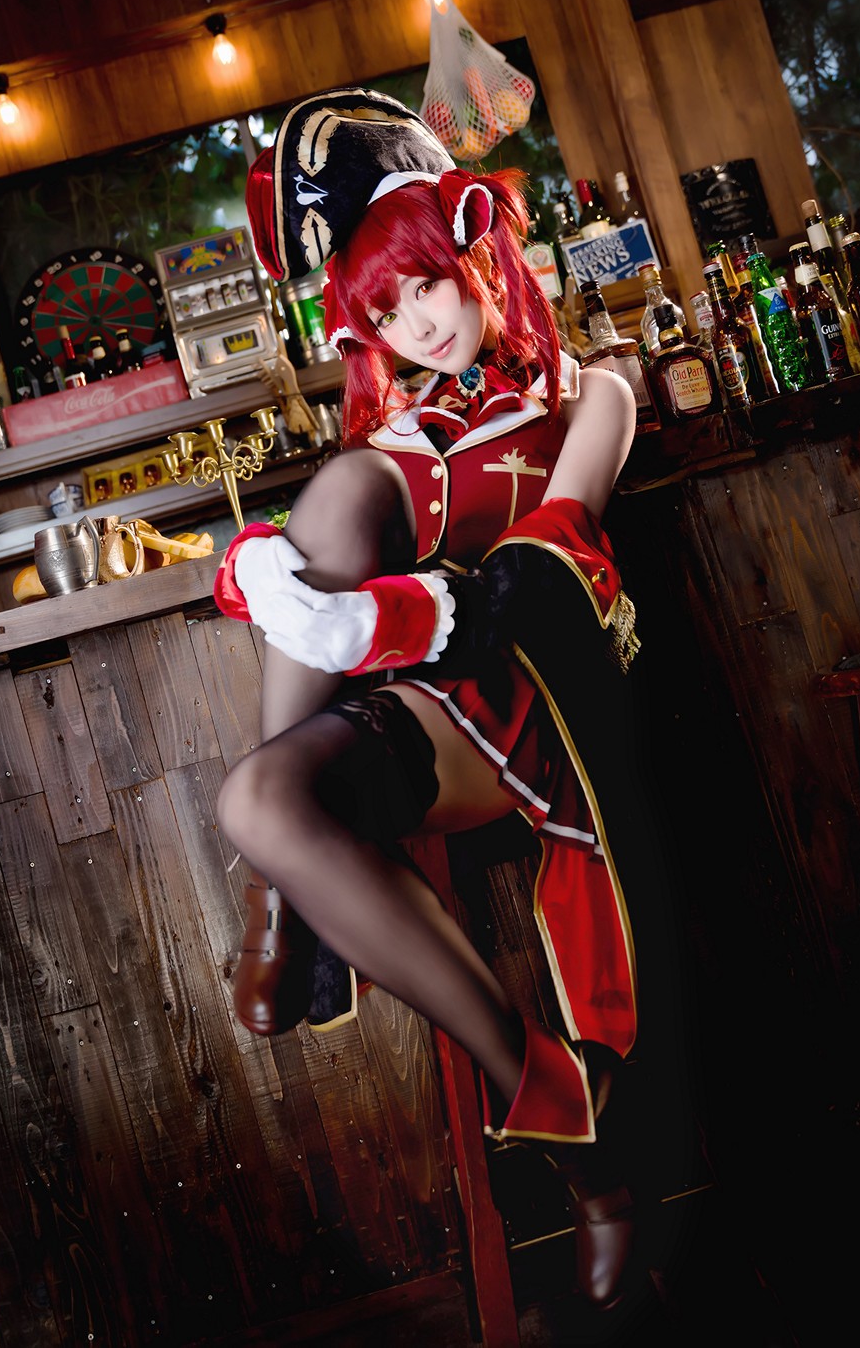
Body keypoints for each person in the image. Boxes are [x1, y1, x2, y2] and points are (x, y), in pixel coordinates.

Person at [214, 88, 643, 1309]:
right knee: (258, 798)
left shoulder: (592, 390)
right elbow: (343, 533)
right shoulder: (405, 430)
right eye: (387, 312)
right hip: (428, 696)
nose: (417, 324)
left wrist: (388, 613)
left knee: (351, 493)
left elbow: (545, 564)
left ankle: (584, 1159)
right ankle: (557, 1104)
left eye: (425, 288)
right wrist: (281, 573)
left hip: (536, 699)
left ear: (476, 252)